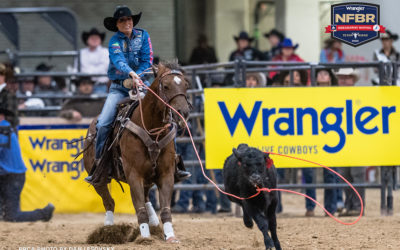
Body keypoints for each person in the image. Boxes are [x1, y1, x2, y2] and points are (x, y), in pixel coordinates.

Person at [85, 5, 189, 183]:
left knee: (166, 115)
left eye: (129, 19)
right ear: (117, 24)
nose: (127, 22)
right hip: (118, 87)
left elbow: (147, 59)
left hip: (142, 83)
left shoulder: (143, 36)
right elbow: (117, 60)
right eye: (122, 20)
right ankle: (100, 164)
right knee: (104, 123)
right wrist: (129, 73)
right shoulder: (114, 41)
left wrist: (138, 75)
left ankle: (174, 161)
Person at [0, 103, 55, 222]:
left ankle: (44, 213)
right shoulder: (5, 128)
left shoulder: (3, 130)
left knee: (11, 216)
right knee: (8, 215)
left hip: (11, 177)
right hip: (9, 176)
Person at [335, 68, 366, 216]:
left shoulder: (362, 96)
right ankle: (350, 205)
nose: (344, 80)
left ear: (353, 80)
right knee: (345, 175)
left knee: (357, 174)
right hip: (341, 141)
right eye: (341, 77)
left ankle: (358, 206)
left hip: (357, 141)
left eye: (347, 77)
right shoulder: (333, 97)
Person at [80, 28, 110, 93]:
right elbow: (79, 68)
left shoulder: (105, 52)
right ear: (87, 40)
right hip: (84, 85)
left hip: (100, 85)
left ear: (100, 40)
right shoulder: (81, 53)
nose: (94, 40)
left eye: (96, 38)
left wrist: (87, 73)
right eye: (92, 38)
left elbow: (103, 68)